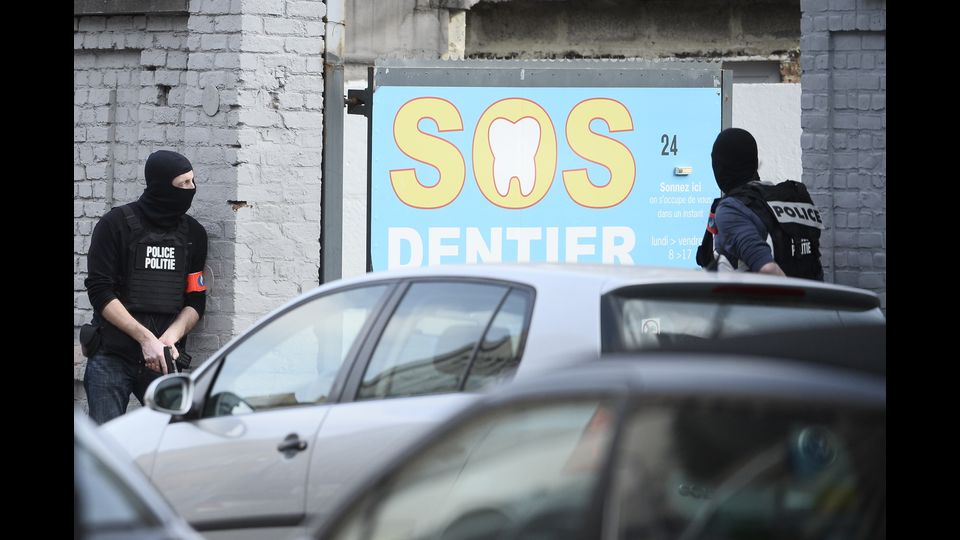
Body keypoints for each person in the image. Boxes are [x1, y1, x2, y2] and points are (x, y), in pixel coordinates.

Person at [82, 150, 208, 424]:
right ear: (161, 186)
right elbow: (100, 292)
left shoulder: (193, 233)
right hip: (112, 355)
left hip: (163, 357)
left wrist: (168, 339)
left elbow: (196, 299)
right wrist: (145, 339)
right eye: (183, 183)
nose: (191, 189)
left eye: (192, 181)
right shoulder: (114, 225)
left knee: (174, 437)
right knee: (104, 441)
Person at [696, 128, 824, 281]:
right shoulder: (788, 199)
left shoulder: (733, 209)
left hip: (765, 296)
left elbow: (768, 269)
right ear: (755, 163)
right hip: (814, 294)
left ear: (719, 167)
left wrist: (793, 296)